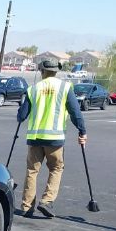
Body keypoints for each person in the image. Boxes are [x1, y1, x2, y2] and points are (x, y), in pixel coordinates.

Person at [16, 59, 87, 218]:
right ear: (56, 71)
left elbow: (21, 116)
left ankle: (27, 207)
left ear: (42, 71)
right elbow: (76, 113)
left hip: (34, 138)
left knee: (32, 171)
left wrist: (21, 107)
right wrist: (82, 131)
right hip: (54, 139)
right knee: (56, 168)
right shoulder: (65, 87)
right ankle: (47, 201)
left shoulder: (33, 89)